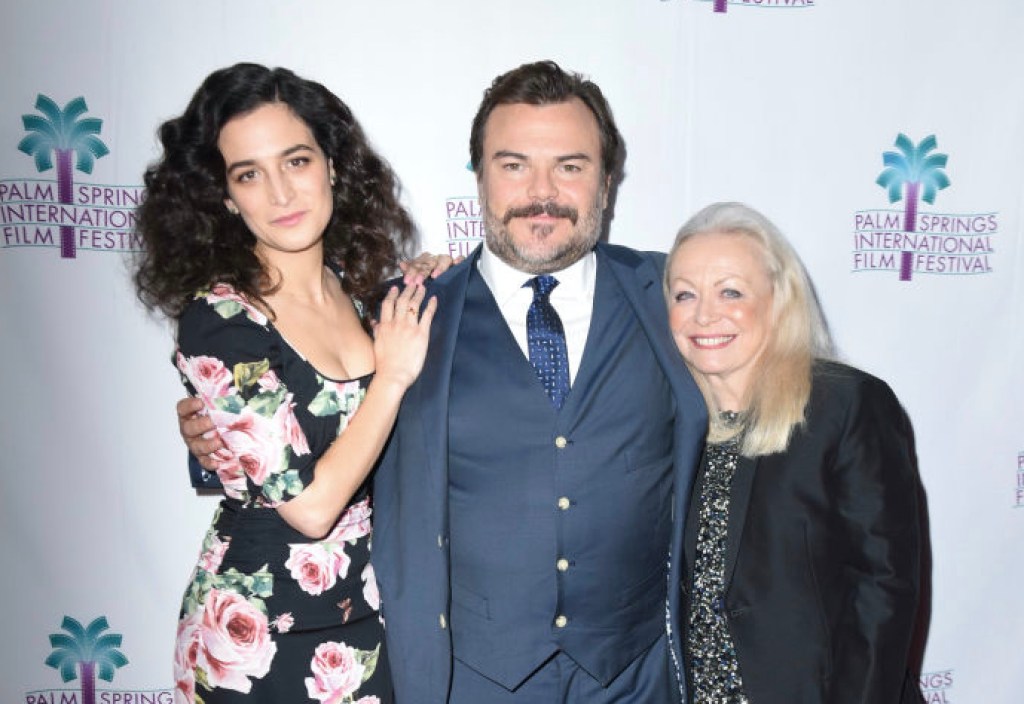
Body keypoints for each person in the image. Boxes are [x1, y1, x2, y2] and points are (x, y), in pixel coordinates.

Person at [182, 60, 707, 703]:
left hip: (633, 675)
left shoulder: (673, 297)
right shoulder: (408, 314)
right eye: (513, 165)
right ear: (479, 176)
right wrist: (211, 441)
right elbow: (293, 420)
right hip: (458, 677)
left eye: (570, 166)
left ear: (606, 181)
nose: (541, 192)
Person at [134, 63, 436, 703]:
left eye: (296, 161)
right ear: (224, 196)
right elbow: (311, 509)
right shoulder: (221, 319)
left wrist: (435, 279)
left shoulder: (361, 293)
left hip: (366, 618)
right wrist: (392, 376)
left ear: (332, 166)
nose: (280, 193)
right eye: (248, 174)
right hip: (255, 637)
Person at [664, 201, 925, 704]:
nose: (704, 314)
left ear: (779, 301)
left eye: (731, 291)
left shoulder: (847, 405)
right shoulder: (669, 424)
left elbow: (884, 589)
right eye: (684, 294)